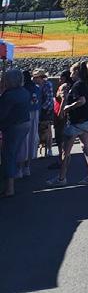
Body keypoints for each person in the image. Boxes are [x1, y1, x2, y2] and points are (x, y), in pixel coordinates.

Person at [47, 61, 88, 186]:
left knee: (66, 152)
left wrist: (68, 107)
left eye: (71, 71)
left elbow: (82, 100)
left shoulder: (77, 85)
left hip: (75, 122)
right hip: (86, 121)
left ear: (76, 72)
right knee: (86, 148)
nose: (70, 74)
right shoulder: (87, 83)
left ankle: (61, 178)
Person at [0, 68, 32, 198]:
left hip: (13, 127)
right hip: (25, 124)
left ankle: (9, 188)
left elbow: (2, 114)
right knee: (14, 153)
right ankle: (12, 181)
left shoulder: (9, 95)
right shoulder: (24, 92)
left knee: (9, 156)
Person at [21, 69, 41, 176]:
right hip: (35, 113)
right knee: (32, 139)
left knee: (23, 139)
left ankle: (20, 167)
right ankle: (27, 166)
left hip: (25, 114)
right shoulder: (37, 88)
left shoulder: (22, 89)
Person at [34, 68, 55, 157]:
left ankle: (49, 149)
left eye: (36, 77)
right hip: (39, 109)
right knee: (39, 130)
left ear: (41, 77)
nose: (34, 79)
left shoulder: (47, 85)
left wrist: (42, 109)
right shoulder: (36, 86)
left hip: (47, 110)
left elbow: (49, 99)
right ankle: (41, 149)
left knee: (47, 130)